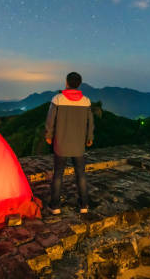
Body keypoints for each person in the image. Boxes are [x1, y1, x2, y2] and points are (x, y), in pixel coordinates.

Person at [45, 72, 94, 214]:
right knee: (81, 174)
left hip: (61, 144)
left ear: (66, 82)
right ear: (79, 84)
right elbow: (90, 123)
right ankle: (84, 205)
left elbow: (50, 121)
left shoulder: (57, 99)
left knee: (58, 174)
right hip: (79, 145)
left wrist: (49, 135)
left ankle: (55, 206)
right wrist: (89, 137)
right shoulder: (86, 101)